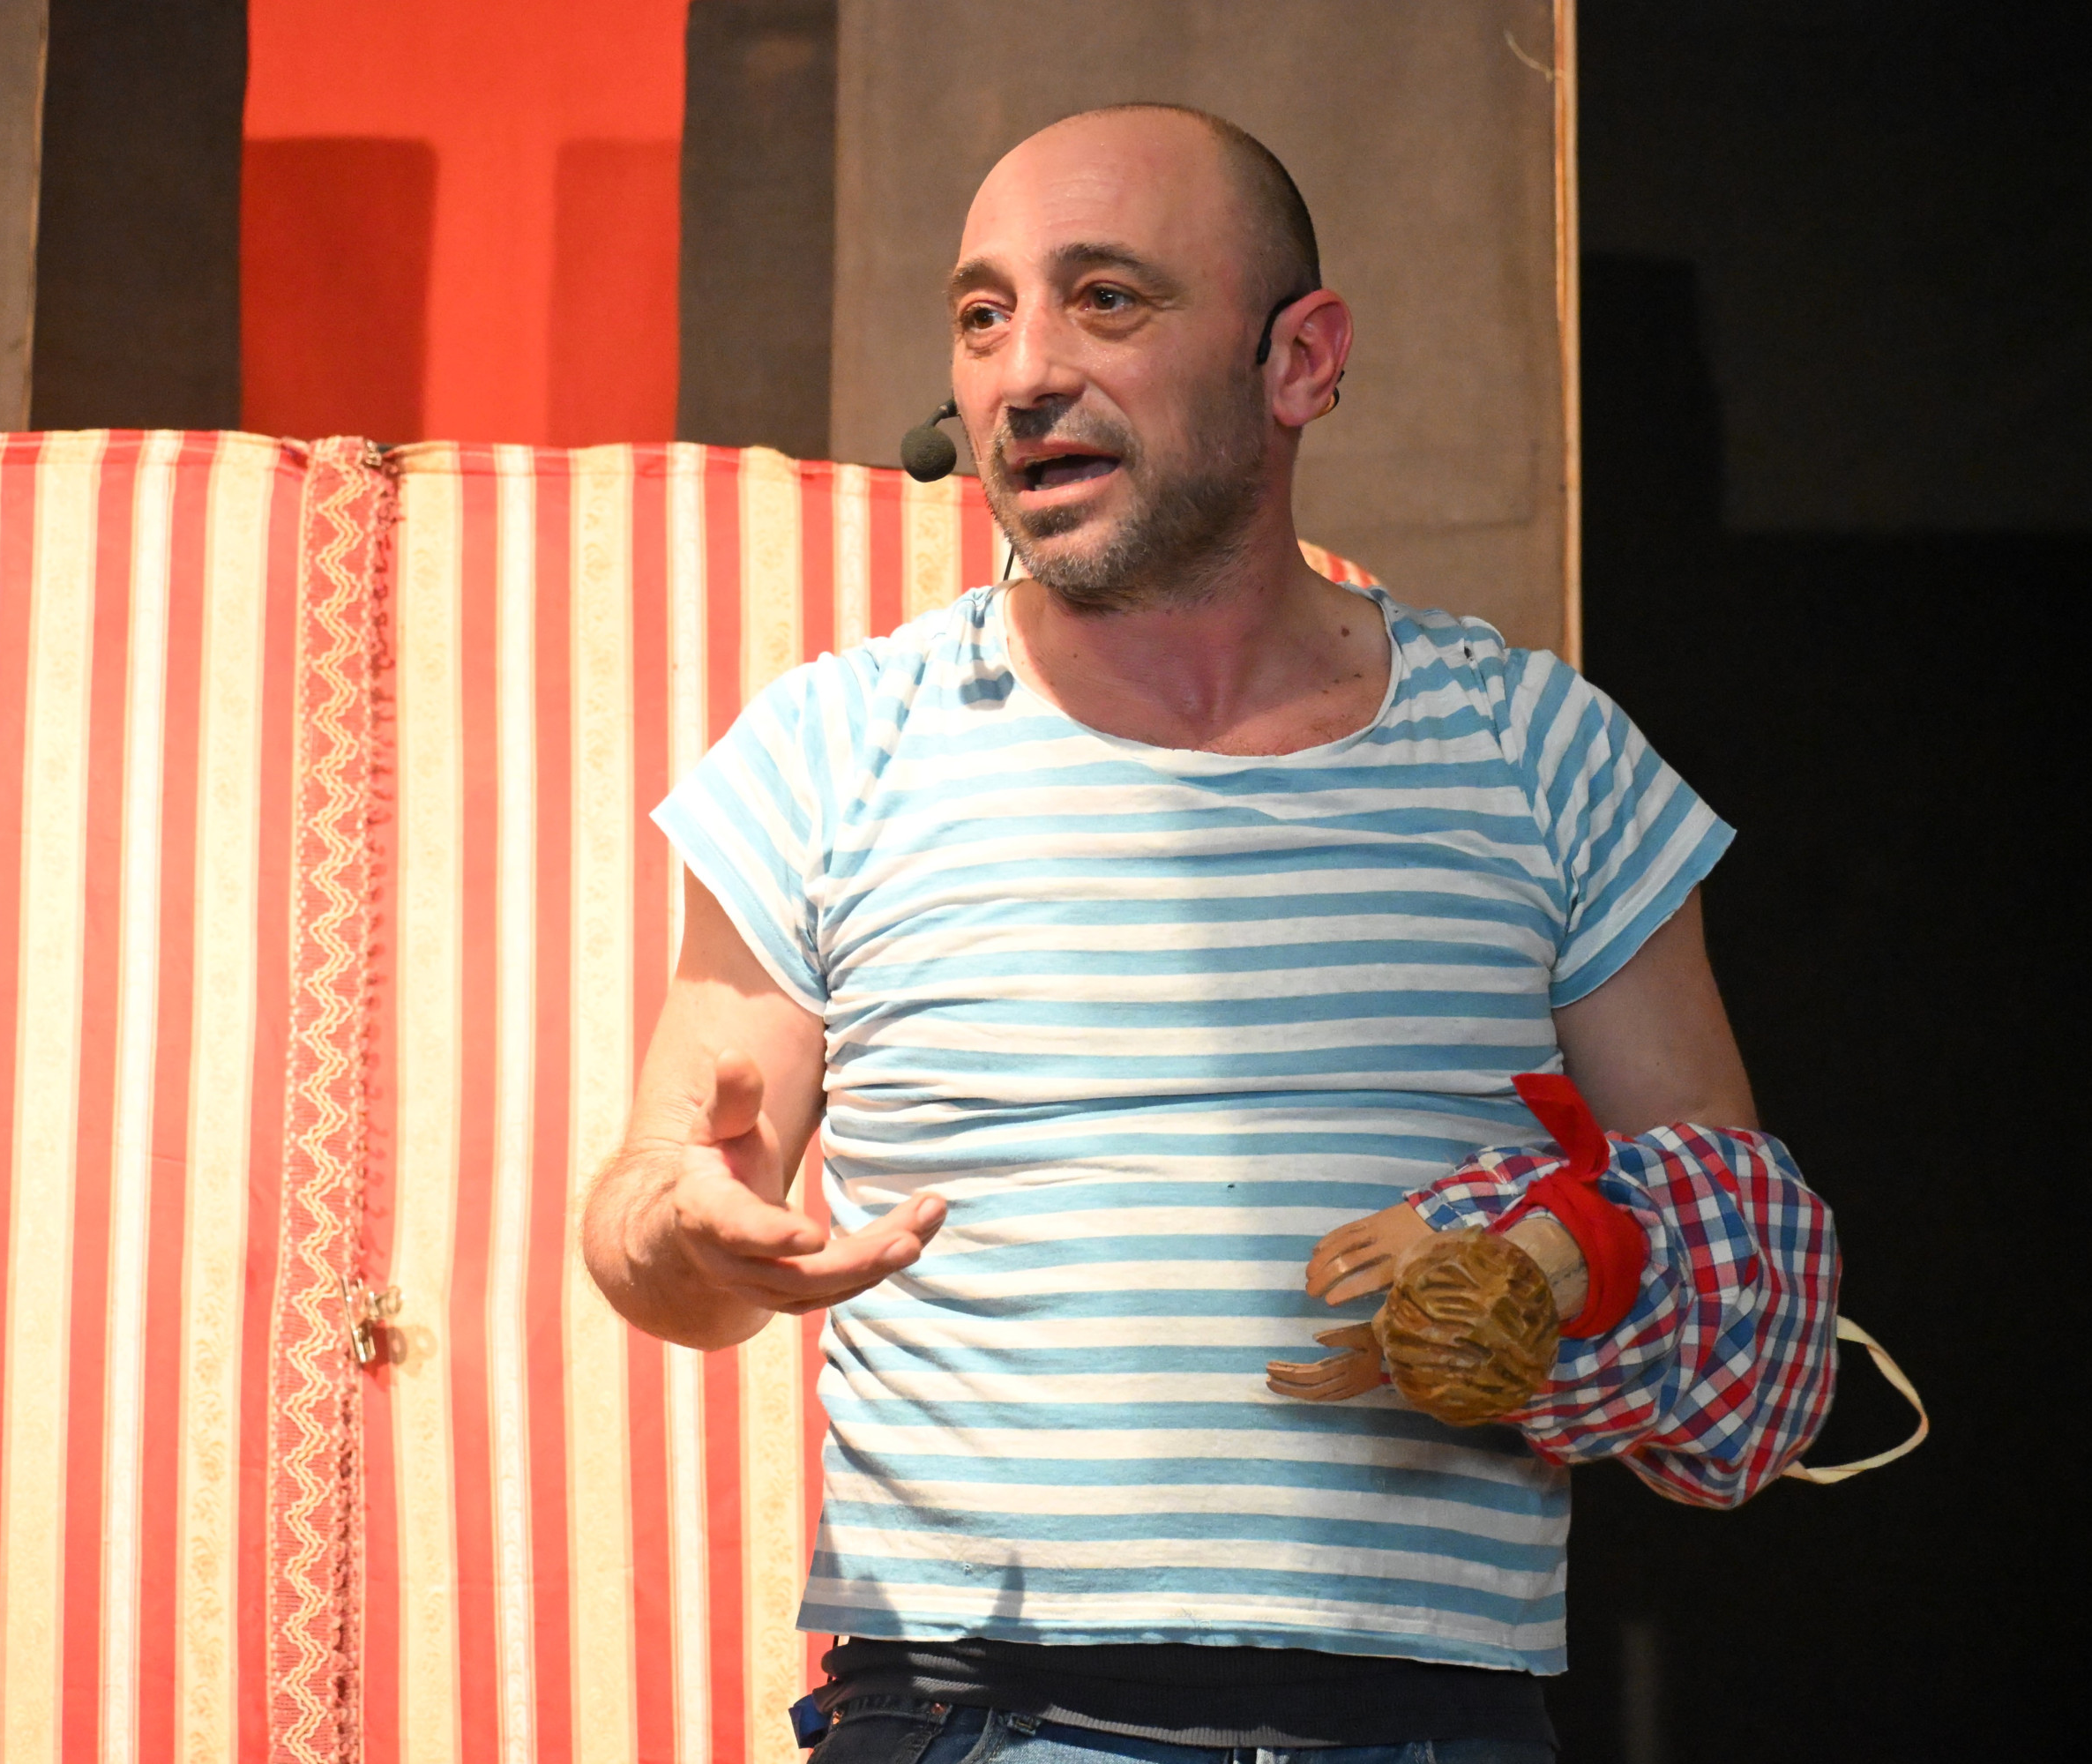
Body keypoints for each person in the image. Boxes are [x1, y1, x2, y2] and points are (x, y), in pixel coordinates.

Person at [585, 104, 1830, 1760]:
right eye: (983, 315)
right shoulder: (832, 748)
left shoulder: (1541, 753)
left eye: (1106, 299)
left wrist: (1549, 1270)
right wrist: (683, 1236)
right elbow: (653, 1217)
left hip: (1424, 1722)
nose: (1026, 371)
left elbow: (1739, 1250)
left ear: (1299, 360)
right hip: (977, 1713)